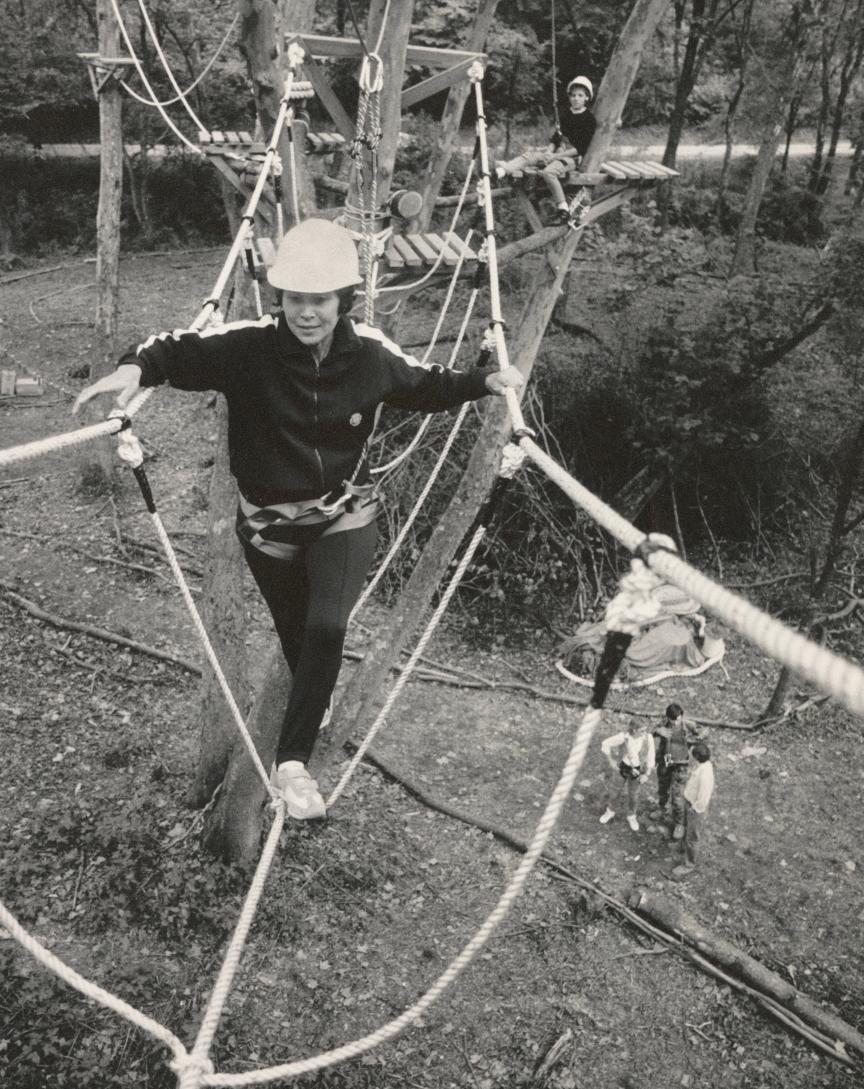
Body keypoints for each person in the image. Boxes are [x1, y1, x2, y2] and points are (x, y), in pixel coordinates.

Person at [73, 218, 524, 821]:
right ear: (278, 297)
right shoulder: (249, 347)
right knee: (299, 641)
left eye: (320, 300)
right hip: (267, 527)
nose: (306, 312)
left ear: (343, 302)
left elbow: (424, 383)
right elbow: (175, 349)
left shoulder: (368, 354)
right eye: (294, 299)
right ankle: (318, 695)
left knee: (329, 629)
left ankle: (293, 763)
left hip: (345, 510)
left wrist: (482, 382)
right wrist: (133, 369)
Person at [494, 76, 597, 225]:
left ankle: (563, 210)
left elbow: (580, 148)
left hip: (571, 158)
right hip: (556, 152)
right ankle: (503, 170)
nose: (575, 98)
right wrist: (549, 153)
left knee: (548, 172)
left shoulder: (589, 119)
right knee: (531, 156)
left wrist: (556, 156)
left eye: (580, 95)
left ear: (587, 97)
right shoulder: (566, 115)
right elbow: (556, 138)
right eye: (573, 95)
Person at [651, 702, 708, 840]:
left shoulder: (687, 725)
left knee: (677, 797)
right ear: (668, 718)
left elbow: (704, 732)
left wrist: (693, 740)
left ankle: (679, 824)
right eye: (673, 719)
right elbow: (650, 731)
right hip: (665, 762)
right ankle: (662, 808)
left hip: (680, 765)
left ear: (681, 716)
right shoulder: (664, 722)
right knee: (662, 788)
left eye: (678, 718)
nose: (676, 721)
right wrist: (657, 731)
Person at [598, 717, 655, 832]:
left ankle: (631, 816)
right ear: (634, 730)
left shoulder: (648, 738)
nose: (645, 733)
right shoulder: (623, 737)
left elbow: (651, 756)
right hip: (623, 767)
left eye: (645, 730)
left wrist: (647, 774)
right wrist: (611, 761)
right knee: (615, 792)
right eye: (642, 731)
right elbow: (605, 743)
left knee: (633, 795)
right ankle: (610, 811)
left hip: (638, 770)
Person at [671, 742, 714, 879]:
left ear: (695, 757)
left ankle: (689, 864)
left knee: (692, 837)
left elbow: (703, 798)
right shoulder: (701, 766)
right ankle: (682, 848)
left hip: (695, 808)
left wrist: (694, 809)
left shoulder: (705, 774)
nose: (688, 754)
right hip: (689, 802)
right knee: (686, 828)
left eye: (691, 753)